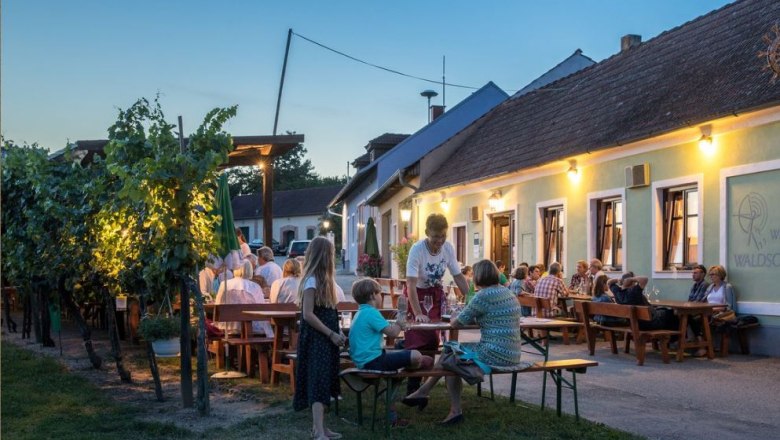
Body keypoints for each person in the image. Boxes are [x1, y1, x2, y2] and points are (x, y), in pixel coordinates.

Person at [403, 260, 526, 425]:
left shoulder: (482, 296)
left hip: (493, 354)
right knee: (450, 350)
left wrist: (455, 317)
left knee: (449, 357)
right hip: (514, 354)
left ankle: (451, 409)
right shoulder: (508, 293)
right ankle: (423, 392)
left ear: (478, 276)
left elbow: (456, 323)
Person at [349, 278, 432, 427]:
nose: (381, 297)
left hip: (364, 360)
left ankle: (394, 410)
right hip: (373, 361)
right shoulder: (371, 313)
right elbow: (393, 333)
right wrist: (401, 317)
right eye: (380, 294)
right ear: (373, 296)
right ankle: (413, 376)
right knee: (418, 356)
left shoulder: (360, 313)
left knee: (408, 353)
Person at [403, 213, 471, 394]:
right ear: (427, 233)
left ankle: (423, 386)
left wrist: (472, 300)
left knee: (433, 341)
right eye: (435, 237)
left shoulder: (448, 248)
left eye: (443, 236)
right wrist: (418, 312)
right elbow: (410, 283)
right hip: (416, 295)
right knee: (417, 339)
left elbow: (458, 276)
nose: (439, 240)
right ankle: (413, 383)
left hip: (434, 296)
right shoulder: (417, 250)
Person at [293, 236, 346, 440]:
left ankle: (323, 427)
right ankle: (317, 430)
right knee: (318, 381)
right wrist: (331, 333)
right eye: (331, 254)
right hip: (316, 338)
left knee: (326, 380)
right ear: (324, 255)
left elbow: (330, 311)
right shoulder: (311, 280)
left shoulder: (326, 280)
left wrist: (337, 331)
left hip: (327, 337)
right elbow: (308, 314)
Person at [607, 272, 678, 331]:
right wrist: (631, 279)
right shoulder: (634, 291)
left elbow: (609, 282)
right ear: (632, 282)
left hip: (636, 324)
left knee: (665, 312)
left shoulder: (618, 292)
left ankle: (668, 341)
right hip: (649, 323)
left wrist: (619, 280)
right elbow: (645, 279)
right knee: (674, 315)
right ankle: (674, 341)